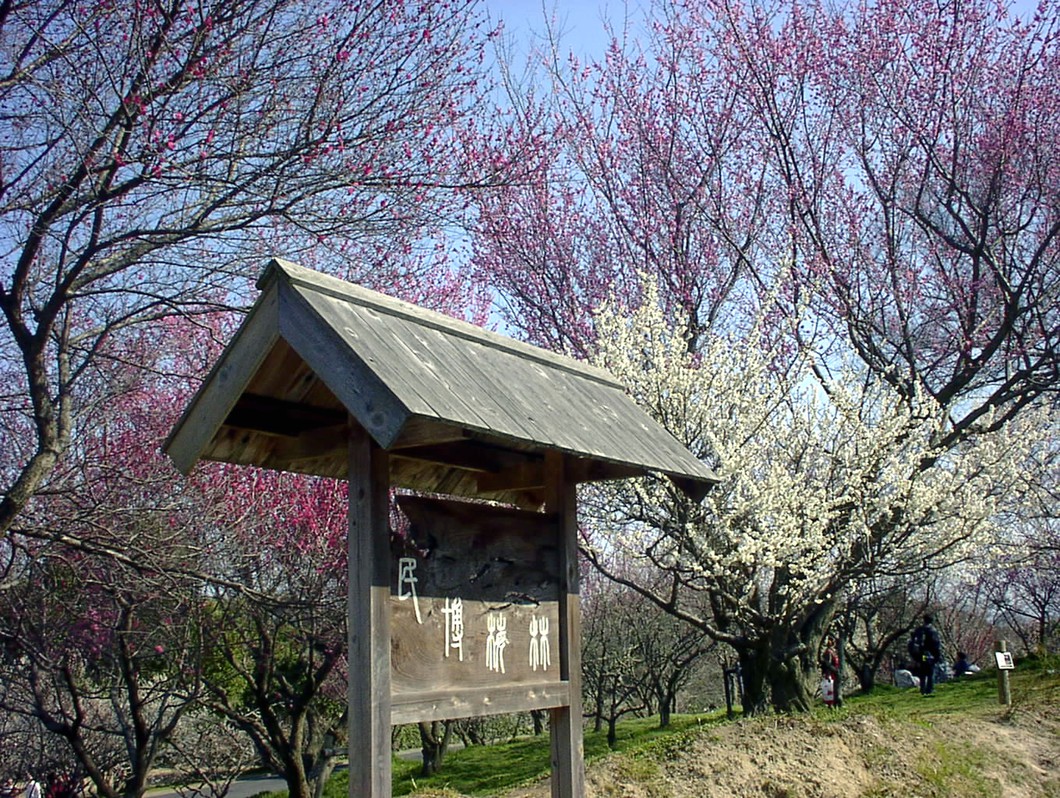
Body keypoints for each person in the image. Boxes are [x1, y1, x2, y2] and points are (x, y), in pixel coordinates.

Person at [908, 614, 943, 695]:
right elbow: (935, 644)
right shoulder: (932, 630)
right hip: (929, 654)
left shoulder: (919, 630)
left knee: (922, 672)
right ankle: (929, 689)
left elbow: (912, 642)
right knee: (930, 672)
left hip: (920, 655)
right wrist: (937, 655)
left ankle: (922, 689)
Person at [819, 635, 841, 707]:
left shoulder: (833, 651)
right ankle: (831, 705)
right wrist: (828, 674)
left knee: (834, 689)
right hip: (831, 673)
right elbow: (827, 664)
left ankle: (836, 703)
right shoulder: (828, 652)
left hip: (834, 672)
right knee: (830, 689)